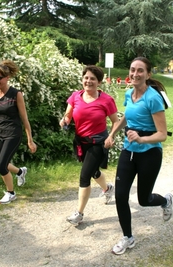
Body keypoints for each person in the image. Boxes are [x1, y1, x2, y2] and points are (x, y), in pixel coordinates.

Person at [104, 57, 173, 255]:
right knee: (120, 195)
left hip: (150, 153)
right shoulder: (128, 93)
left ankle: (165, 201)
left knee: (144, 199)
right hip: (129, 151)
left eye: (140, 70)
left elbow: (162, 134)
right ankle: (128, 237)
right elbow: (126, 117)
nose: (135, 74)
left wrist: (142, 140)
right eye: (133, 70)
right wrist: (112, 133)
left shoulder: (153, 98)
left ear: (148, 74)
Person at [60, 65, 119, 225]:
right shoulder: (75, 96)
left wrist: (111, 136)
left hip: (98, 142)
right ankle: (108, 189)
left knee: (85, 175)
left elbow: (116, 121)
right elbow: (68, 115)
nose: (88, 81)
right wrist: (64, 120)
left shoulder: (106, 100)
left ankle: (79, 214)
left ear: (99, 82)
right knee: (93, 172)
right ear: (82, 79)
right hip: (81, 142)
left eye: (93, 78)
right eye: (86, 78)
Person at [0, 59, 37, 204]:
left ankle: (11, 193)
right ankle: (20, 172)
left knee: (2, 166)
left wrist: (30, 139)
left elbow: (24, 118)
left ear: (7, 77)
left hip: (13, 133)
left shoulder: (16, 94)